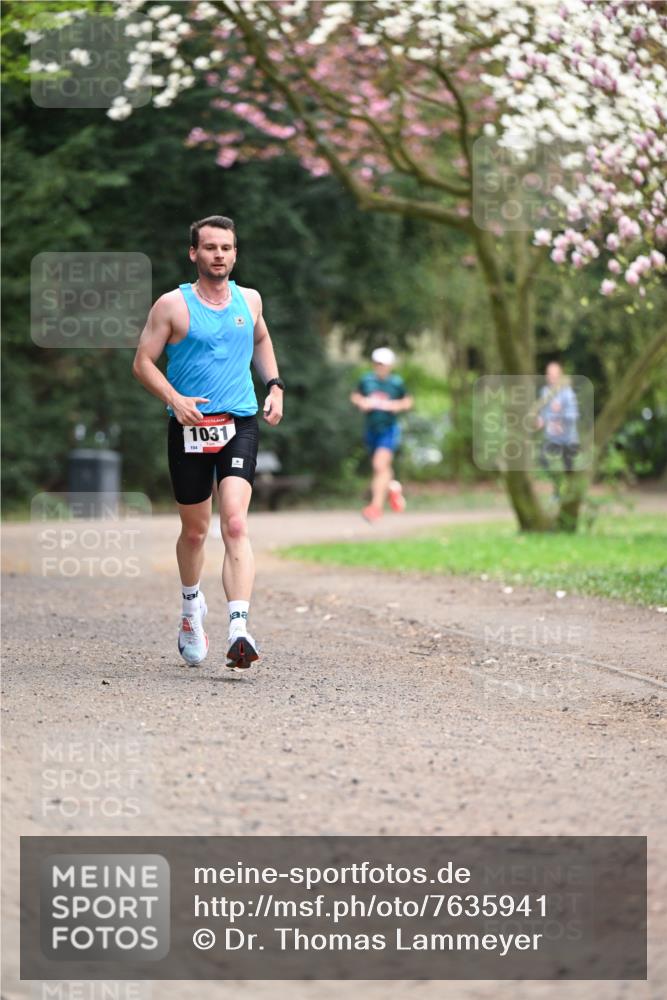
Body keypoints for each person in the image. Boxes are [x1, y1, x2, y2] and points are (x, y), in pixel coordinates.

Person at [132, 215, 284, 669]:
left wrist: (274, 385)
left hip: (239, 422)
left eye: (226, 247)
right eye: (210, 247)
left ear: (235, 254)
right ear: (193, 253)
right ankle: (190, 609)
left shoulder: (249, 300)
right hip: (189, 428)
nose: (219, 254)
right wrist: (174, 399)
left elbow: (261, 337)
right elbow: (142, 363)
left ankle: (239, 628)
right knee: (195, 531)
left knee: (234, 523)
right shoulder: (172, 306)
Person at [350, 347, 413, 522]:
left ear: (390, 365)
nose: (380, 367)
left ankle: (375, 507)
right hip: (371, 430)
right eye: (377, 364)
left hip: (388, 430)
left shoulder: (396, 383)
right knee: (382, 468)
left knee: (379, 465)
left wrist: (395, 406)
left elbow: (408, 401)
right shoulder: (366, 380)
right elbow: (355, 396)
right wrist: (362, 402)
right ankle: (393, 487)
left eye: (383, 364)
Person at [536, 361, 579, 491]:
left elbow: (573, 416)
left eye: (554, 374)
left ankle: (570, 491)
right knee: (542, 458)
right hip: (552, 439)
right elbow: (544, 413)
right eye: (549, 374)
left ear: (560, 375)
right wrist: (540, 420)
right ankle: (557, 487)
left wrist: (561, 414)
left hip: (568, 439)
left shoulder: (567, 393)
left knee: (568, 470)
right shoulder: (545, 392)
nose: (551, 377)